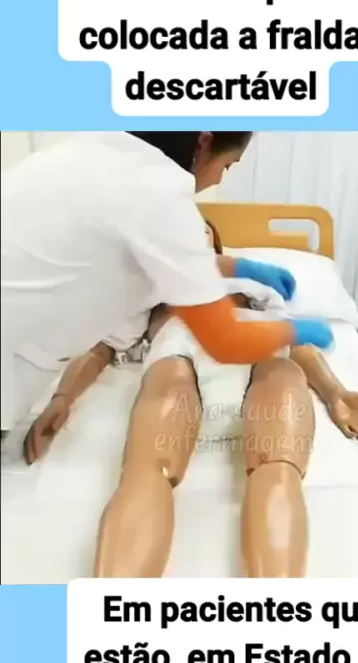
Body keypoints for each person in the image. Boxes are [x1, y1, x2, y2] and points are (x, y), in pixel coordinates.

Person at [25, 221, 358, 578]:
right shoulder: (151, 284)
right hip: (180, 348)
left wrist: (336, 393)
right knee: (148, 469)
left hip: (256, 342)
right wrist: (62, 398)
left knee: (278, 462)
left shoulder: (251, 286)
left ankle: (279, 601)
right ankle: (115, 602)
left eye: (203, 229)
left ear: (216, 244)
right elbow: (101, 349)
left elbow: (294, 342)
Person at [1, 131, 333, 438]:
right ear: (204, 142)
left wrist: (243, 267)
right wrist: (296, 330)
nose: (219, 178)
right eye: (228, 166)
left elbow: (184, 265)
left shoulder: (87, 152)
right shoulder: (160, 194)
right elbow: (227, 340)